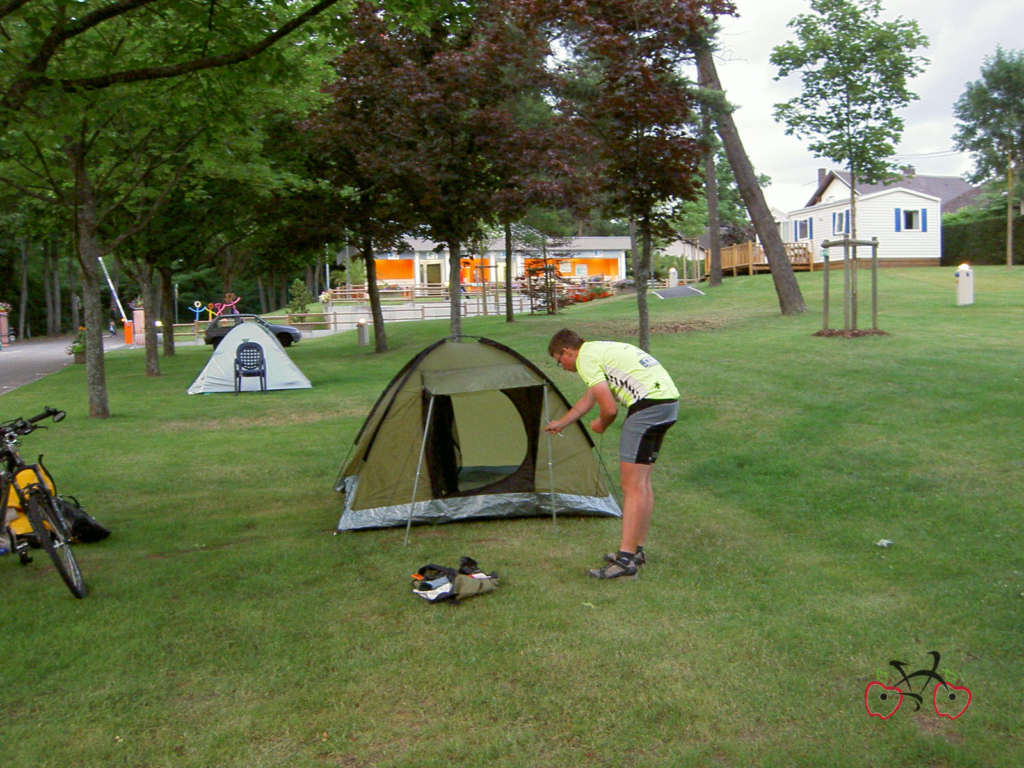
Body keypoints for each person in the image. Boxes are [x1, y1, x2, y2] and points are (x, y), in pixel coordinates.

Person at [544, 329, 679, 579]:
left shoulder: (585, 359)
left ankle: (626, 560)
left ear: (566, 351)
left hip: (647, 407)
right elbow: (590, 398)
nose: (560, 365)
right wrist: (562, 422)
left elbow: (608, 408)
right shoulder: (597, 350)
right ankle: (636, 551)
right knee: (642, 484)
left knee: (631, 486)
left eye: (558, 359)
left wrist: (601, 425)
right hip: (667, 403)